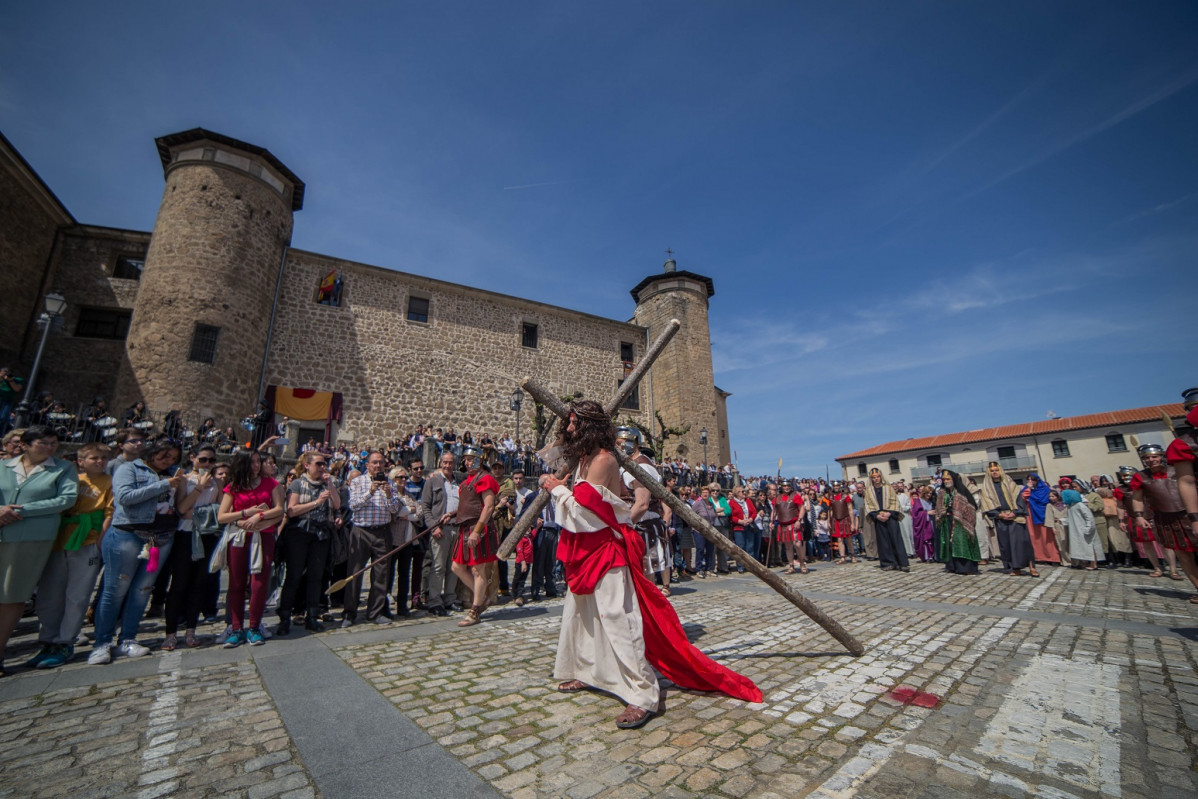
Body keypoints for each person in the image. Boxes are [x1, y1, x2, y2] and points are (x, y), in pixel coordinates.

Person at [543, 400, 761, 730]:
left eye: (574, 423)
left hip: (605, 547)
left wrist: (559, 491)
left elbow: (592, 514)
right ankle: (587, 671)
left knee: (619, 618)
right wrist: (562, 479)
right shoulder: (583, 457)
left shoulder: (602, 459)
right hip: (582, 548)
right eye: (569, 423)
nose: (569, 428)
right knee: (582, 615)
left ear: (589, 427)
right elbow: (564, 477)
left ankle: (644, 694)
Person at [90, 438, 184, 664]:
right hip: (128, 535)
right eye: (164, 456)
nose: (168, 461)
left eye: (172, 458)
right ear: (152, 452)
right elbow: (124, 498)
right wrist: (165, 485)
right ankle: (102, 642)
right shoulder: (128, 468)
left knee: (142, 589)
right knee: (115, 589)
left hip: (159, 539)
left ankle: (128, 639)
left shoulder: (175, 473)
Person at [0, 426, 79, 675]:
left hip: (31, 539)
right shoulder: (4, 466)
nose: (49, 448)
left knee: (12, 595)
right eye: (43, 443)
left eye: (54, 443)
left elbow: (66, 499)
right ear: (25, 444)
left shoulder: (63, 469)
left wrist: (21, 511)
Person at [27, 442, 112, 669]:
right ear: (81, 461)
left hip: (87, 541)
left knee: (77, 596)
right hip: (60, 540)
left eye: (103, 458)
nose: (99, 462)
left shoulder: (108, 482)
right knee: (49, 595)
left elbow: (108, 514)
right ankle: (48, 640)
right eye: (94, 458)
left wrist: (99, 544)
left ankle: (65, 642)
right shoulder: (72, 479)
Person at [215, 450, 286, 646]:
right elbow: (222, 516)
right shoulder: (234, 487)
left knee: (259, 583)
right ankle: (236, 628)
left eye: (258, 461)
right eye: (252, 462)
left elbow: (279, 509)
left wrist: (259, 516)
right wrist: (245, 513)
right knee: (236, 583)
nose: (256, 465)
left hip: (263, 536)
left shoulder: (271, 484)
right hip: (239, 537)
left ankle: (254, 626)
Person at [161, 445, 224, 650]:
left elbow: (220, 511)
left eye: (211, 461)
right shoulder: (185, 479)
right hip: (185, 535)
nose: (207, 464)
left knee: (199, 583)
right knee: (179, 584)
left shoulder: (218, 483)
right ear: (193, 458)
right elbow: (181, 508)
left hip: (206, 535)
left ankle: (191, 629)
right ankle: (171, 632)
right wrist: (199, 490)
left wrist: (198, 512)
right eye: (203, 460)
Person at [278, 451, 341, 634]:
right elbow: (291, 510)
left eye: (324, 464)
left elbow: (336, 505)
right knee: (294, 575)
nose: (322, 467)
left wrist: (330, 484)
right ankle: (285, 616)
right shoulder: (298, 483)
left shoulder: (329, 484)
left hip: (321, 534)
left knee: (316, 576)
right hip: (300, 532)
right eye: (318, 464)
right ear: (307, 465)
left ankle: (312, 615)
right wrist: (316, 502)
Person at [1131, 444, 1198, 600]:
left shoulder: (1178, 469)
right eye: (1147, 458)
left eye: (1154, 456)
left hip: (1189, 515)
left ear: (1162, 456)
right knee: (1183, 555)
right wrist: (1139, 516)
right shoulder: (1140, 476)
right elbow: (1137, 498)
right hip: (1166, 519)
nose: (1151, 460)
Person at [343, 451, 402, 626]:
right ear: (367, 465)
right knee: (355, 572)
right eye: (374, 463)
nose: (378, 466)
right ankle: (349, 613)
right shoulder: (357, 482)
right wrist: (370, 492)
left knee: (381, 573)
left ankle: (375, 613)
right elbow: (353, 505)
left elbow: (394, 510)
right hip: (361, 531)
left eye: (381, 463)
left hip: (382, 532)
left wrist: (389, 495)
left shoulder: (390, 484)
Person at [450, 446, 499, 627]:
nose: (468, 462)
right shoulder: (467, 481)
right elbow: (470, 504)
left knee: (478, 570)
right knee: (457, 567)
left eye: (471, 459)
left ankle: (475, 610)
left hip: (477, 528)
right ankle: (483, 596)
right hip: (465, 527)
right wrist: (454, 513)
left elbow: (488, 507)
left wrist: (477, 531)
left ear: (480, 459)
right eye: (466, 459)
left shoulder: (484, 479)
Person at [421, 451, 460, 616]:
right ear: (440, 463)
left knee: (453, 567)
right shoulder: (432, 482)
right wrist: (433, 527)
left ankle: (449, 598)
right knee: (438, 566)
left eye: (450, 462)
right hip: (440, 529)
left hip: (456, 528)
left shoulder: (459, 482)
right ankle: (434, 601)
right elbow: (425, 507)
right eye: (445, 462)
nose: (447, 465)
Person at [980, 462, 1037, 577]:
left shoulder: (1010, 483)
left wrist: (1015, 513)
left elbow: (1019, 499)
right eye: (992, 470)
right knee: (1007, 544)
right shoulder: (986, 487)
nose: (994, 472)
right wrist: (999, 515)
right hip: (1001, 518)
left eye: (996, 470)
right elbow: (986, 504)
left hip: (1016, 517)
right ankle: (1015, 568)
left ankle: (1032, 567)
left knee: (1023, 543)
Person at [934, 470, 981, 575]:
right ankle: (952, 566)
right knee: (949, 544)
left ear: (953, 479)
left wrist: (960, 514)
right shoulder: (942, 492)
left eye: (948, 479)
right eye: (944, 479)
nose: (946, 481)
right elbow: (938, 506)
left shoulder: (961, 491)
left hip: (961, 521)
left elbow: (972, 506)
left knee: (961, 543)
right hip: (947, 520)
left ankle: (966, 567)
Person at [863, 468, 909, 572]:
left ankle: (902, 563)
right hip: (878, 517)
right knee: (883, 541)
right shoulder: (869, 491)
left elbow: (895, 502)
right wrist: (876, 515)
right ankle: (888, 562)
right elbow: (868, 505)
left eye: (878, 477)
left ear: (881, 477)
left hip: (891, 516)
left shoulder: (888, 488)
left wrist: (889, 513)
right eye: (874, 477)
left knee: (896, 539)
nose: (876, 479)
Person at [1021, 473, 1061, 566]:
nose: (1030, 481)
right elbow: (1022, 497)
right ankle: (1039, 557)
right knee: (1035, 536)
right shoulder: (1028, 489)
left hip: (1044, 514)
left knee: (1047, 537)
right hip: (1031, 515)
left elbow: (1046, 500)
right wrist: (1028, 488)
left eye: (1033, 480)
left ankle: (1053, 557)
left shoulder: (1045, 490)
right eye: (1029, 480)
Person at [1061, 490, 1103, 570]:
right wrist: (1062, 520)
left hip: (1084, 529)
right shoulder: (1070, 506)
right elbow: (1071, 519)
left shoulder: (1080, 505)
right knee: (1082, 547)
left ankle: (1094, 564)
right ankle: (1085, 563)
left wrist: (1088, 528)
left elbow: (1089, 517)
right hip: (1076, 530)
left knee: (1090, 546)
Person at [774, 482, 807, 574]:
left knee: (797, 544)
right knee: (788, 546)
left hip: (794, 523)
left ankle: (802, 564)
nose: (786, 488)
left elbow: (802, 508)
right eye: (784, 486)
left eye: (788, 486)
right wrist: (771, 521)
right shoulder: (777, 498)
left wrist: (799, 520)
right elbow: (775, 511)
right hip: (783, 524)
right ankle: (791, 566)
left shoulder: (795, 496)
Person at [910, 485, 936, 562]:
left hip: (931, 523)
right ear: (924, 493)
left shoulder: (932, 502)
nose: (929, 495)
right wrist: (927, 513)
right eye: (927, 493)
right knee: (925, 540)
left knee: (931, 539)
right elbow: (916, 514)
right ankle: (926, 556)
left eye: (930, 493)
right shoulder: (918, 501)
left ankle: (932, 555)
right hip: (923, 525)